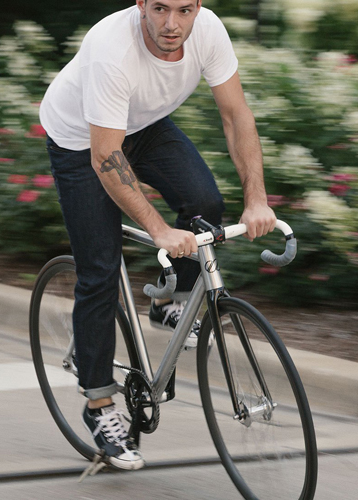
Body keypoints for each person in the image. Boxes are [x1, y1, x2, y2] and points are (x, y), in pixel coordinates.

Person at [39, 0, 277, 470]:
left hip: (143, 126)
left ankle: (168, 304)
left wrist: (257, 199)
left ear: (199, 7)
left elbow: (236, 115)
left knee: (205, 204)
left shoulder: (208, 31)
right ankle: (99, 406)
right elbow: (105, 155)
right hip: (80, 140)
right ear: (141, 4)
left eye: (184, 10)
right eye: (161, 8)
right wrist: (159, 230)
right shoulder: (113, 48)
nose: (172, 24)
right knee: (100, 270)